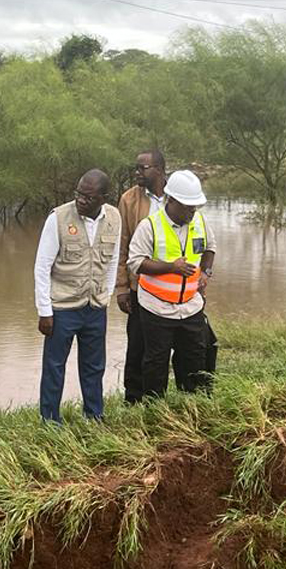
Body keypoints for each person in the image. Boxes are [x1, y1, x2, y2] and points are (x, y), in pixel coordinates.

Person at [34, 169, 121, 423]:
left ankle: (94, 416)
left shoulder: (114, 217)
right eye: (79, 194)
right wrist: (44, 311)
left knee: (94, 367)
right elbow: (42, 266)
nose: (81, 201)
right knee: (54, 367)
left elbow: (113, 259)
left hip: (95, 307)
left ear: (104, 197)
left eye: (89, 197)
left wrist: (107, 294)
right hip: (62, 308)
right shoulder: (58, 218)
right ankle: (50, 421)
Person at [128, 170, 216, 397]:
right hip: (157, 308)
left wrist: (206, 272)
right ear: (172, 200)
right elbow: (136, 263)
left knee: (194, 359)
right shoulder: (150, 226)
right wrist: (171, 267)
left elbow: (210, 248)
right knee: (156, 362)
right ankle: (155, 410)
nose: (192, 211)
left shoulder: (199, 222)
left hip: (190, 306)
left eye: (195, 206)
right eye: (188, 206)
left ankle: (192, 406)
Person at [115, 150, 167, 403]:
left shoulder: (176, 196)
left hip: (174, 288)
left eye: (142, 168)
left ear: (159, 169)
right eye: (135, 168)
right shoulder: (129, 200)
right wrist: (122, 287)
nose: (137, 173)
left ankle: (161, 398)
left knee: (168, 346)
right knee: (137, 346)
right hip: (140, 286)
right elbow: (121, 245)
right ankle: (133, 399)